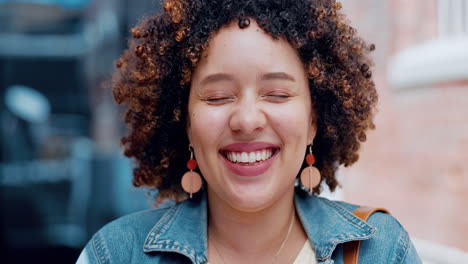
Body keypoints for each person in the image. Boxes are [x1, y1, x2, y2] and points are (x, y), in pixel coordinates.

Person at [77, 0, 422, 263]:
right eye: (217, 96)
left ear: (314, 119)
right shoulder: (116, 253)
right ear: (185, 122)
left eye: (277, 94)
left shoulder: (382, 251)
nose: (247, 119)